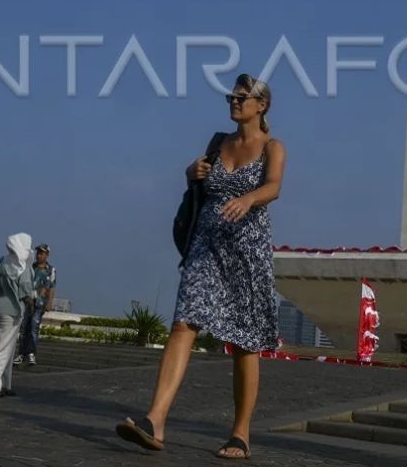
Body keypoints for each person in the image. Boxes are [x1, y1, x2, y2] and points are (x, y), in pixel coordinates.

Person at [116, 74, 286, 460]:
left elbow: (274, 186)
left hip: (248, 252)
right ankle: (154, 420)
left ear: (261, 106)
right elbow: (199, 190)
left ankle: (240, 433)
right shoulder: (217, 144)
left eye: (242, 97)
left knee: (244, 341)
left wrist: (249, 199)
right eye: (232, 96)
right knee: (182, 323)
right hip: (205, 248)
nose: (234, 101)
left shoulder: (273, 147)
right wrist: (191, 174)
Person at [0, 232, 34, 398]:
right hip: (13, 310)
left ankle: (5, 384)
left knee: (9, 347)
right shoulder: (23, 265)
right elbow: (26, 290)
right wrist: (31, 305)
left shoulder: (1, 261)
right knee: (2, 346)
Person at [14, 244, 57, 367]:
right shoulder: (30, 268)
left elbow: (52, 287)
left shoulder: (51, 270)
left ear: (47, 255)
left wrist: (49, 302)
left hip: (40, 303)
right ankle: (21, 354)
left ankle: (31, 353)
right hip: (27, 302)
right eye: (38, 253)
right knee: (23, 329)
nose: (39, 255)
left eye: (42, 253)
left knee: (34, 327)